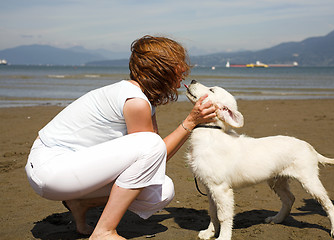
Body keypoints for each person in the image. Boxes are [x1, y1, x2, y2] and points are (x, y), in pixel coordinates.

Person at [25, 35, 216, 240]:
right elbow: (154, 151)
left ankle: (81, 203)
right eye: (179, 67)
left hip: (64, 168)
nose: (184, 72)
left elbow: (153, 159)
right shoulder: (135, 101)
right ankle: (104, 232)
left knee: (162, 190)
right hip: (50, 169)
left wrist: (190, 122)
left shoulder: (141, 97)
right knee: (151, 145)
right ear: (162, 69)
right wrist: (190, 122)